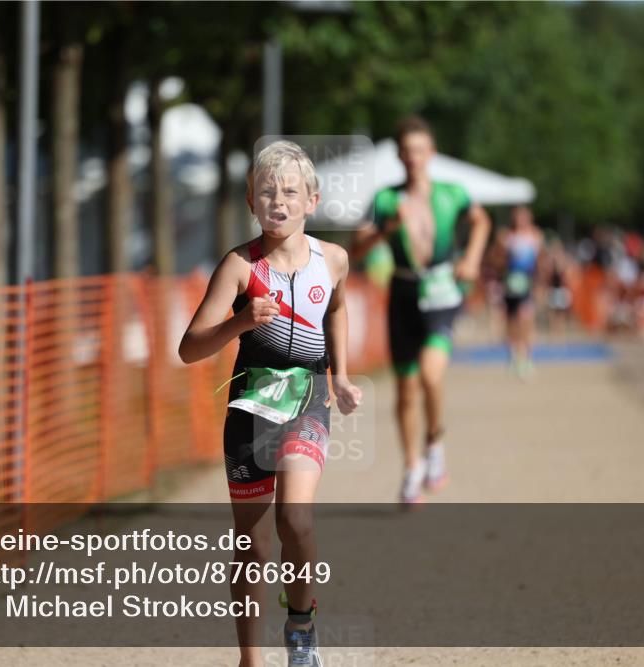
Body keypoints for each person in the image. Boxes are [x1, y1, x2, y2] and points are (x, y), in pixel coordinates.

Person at [179, 140, 362, 667]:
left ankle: (301, 630)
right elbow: (189, 349)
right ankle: (250, 658)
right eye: (265, 191)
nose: (276, 201)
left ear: (312, 200)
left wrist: (341, 375)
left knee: (295, 519)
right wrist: (240, 321)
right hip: (250, 408)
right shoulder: (239, 266)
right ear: (249, 202)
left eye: (288, 191)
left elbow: (339, 308)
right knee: (253, 541)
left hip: (306, 397)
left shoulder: (335, 260)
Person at [351, 116, 490, 505]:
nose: (413, 158)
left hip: (443, 291)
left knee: (431, 375)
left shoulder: (452, 193)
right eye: (407, 151)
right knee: (406, 390)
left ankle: (435, 444)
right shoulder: (385, 199)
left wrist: (473, 258)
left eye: (420, 150)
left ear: (432, 153)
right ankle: (412, 467)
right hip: (404, 293)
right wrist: (385, 230)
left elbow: (481, 221)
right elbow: (355, 251)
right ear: (398, 154)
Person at [500, 206, 543, 378]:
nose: (521, 220)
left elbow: (540, 262)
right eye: (518, 217)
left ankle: (526, 357)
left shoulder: (535, 236)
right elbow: (499, 261)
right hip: (511, 284)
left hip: (528, 283)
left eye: (524, 217)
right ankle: (512, 355)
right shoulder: (507, 237)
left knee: (526, 319)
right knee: (511, 321)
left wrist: (540, 284)